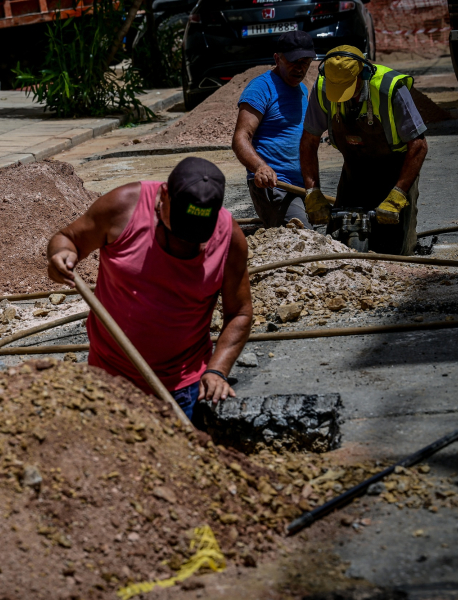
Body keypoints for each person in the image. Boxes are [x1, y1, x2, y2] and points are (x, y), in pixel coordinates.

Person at [46, 157, 252, 419]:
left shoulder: (230, 238)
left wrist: (217, 370)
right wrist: (61, 254)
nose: (184, 244)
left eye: (196, 237)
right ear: (163, 195)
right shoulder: (122, 208)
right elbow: (68, 238)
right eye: (178, 231)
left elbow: (240, 314)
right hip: (108, 381)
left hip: (184, 388)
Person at [300, 45, 428, 255]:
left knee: (395, 251)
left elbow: (419, 145)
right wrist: (313, 193)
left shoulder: (389, 89)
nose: (342, 98)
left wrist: (398, 194)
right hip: (355, 168)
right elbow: (308, 141)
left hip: (396, 169)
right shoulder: (323, 89)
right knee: (337, 244)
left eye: (348, 89)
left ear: (364, 74)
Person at [232, 30, 315, 228]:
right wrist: (260, 167)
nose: (300, 68)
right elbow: (241, 138)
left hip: (302, 187)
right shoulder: (261, 88)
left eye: (305, 62)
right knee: (307, 236)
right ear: (277, 59)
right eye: (294, 61)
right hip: (275, 186)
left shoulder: (302, 89)